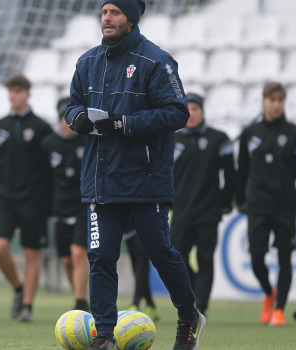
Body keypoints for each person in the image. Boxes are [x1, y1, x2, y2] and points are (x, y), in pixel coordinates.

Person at [66, 1, 206, 349]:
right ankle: (103, 337)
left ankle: (189, 315)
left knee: (160, 252)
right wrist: (76, 118)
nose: (107, 18)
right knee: (100, 256)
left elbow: (177, 112)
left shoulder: (156, 60)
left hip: (146, 178)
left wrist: (124, 124)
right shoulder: (87, 62)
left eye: (114, 12)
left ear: (131, 18)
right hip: (101, 180)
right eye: (103, 12)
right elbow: (71, 106)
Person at [237, 82, 296, 327]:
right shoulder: (250, 133)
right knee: (256, 257)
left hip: (286, 206)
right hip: (258, 205)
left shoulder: (295, 133)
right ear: (263, 101)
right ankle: (269, 294)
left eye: (280, 100)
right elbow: (242, 169)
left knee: (285, 258)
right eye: (272, 99)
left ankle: (279, 310)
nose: (276, 104)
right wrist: (240, 199)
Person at [0, 75, 53, 322]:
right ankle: (18, 287)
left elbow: (47, 168)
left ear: (28, 93)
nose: (14, 95)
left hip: (33, 200)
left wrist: (45, 200)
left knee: (31, 254)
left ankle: (27, 306)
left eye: (18, 91)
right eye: (11, 91)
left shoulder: (41, 127)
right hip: (6, 199)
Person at [171, 93, 236, 317]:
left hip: (209, 211)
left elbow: (230, 174)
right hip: (180, 211)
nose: (191, 113)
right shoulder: (173, 139)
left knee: (205, 258)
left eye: (195, 109)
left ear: (202, 111)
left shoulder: (219, 138)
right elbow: (165, 175)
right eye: (187, 109)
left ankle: (202, 305)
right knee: (176, 255)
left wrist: (226, 202)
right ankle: (197, 287)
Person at [41, 97, 89, 312]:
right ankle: (80, 297)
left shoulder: (87, 140)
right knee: (67, 260)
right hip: (60, 207)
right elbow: (43, 177)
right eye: (64, 117)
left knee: (79, 252)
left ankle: (80, 302)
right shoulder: (48, 143)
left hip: (83, 206)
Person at [124, 228, 160, 321]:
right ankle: (150, 305)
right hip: (127, 229)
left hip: (141, 224)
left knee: (141, 262)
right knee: (135, 266)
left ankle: (135, 304)